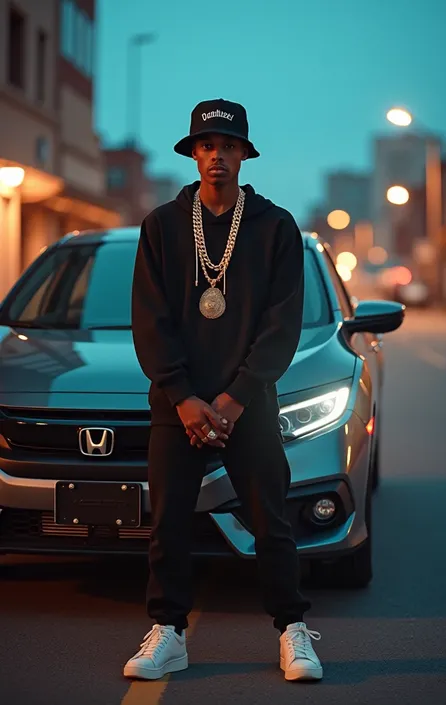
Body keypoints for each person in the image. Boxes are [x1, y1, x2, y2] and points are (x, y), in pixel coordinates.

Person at [125, 99, 323, 682]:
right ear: (193, 155)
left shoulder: (275, 227)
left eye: (228, 145)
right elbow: (149, 318)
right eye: (206, 146)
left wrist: (235, 398)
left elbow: (282, 322)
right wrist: (184, 397)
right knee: (169, 524)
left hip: (249, 405)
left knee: (272, 523)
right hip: (176, 406)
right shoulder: (161, 225)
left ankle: (292, 631)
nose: (217, 155)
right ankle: (170, 634)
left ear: (243, 153)